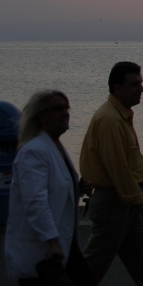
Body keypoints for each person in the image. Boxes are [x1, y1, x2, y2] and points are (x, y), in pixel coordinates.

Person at [80, 62, 143, 285]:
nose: (142, 89)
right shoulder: (110, 121)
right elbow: (120, 174)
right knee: (90, 269)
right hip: (115, 205)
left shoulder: (120, 116)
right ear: (117, 88)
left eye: (141, 83)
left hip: (127, 205)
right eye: (135, 84)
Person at [5, 90, 95, 286]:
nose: (65, 113)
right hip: (46, 248)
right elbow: (35, 201)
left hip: (64, 242)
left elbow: (54, 189)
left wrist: (77, 188)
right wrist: (52, 241)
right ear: (42, 116)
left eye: (66, 108)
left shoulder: (55, 146)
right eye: (58, 109)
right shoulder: (34, 151)